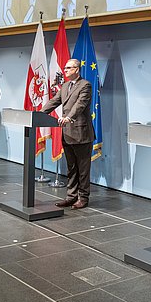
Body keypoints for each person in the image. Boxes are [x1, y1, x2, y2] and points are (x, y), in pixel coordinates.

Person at [42, 59, 95, 209]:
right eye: (65, 68)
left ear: (77, 69)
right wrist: (37, 114)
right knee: (71, 168)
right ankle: (71, 196)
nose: (65, 70)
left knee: (83, 169)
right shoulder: (65, 86)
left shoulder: (85, 85)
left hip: (81, 133)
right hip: (67, 133)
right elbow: (54, 101)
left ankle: (83, 198)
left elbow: (80, 105)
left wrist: (68, 117)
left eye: (68, 68)